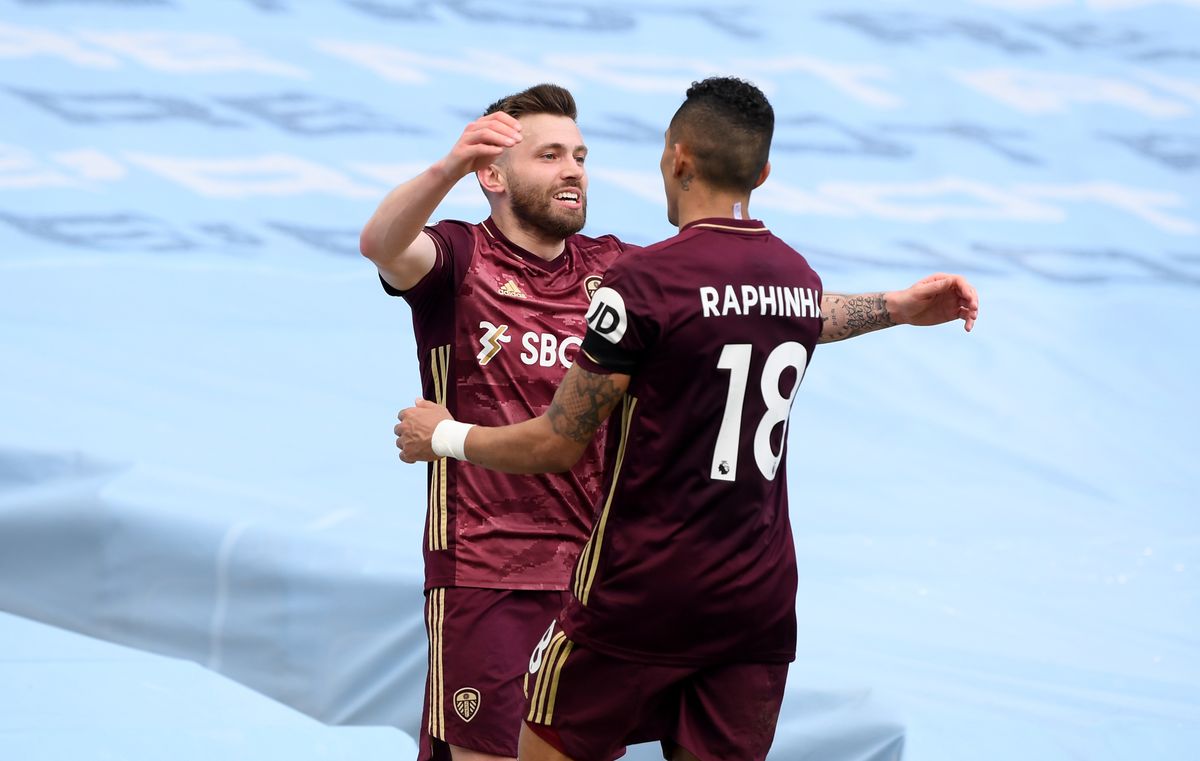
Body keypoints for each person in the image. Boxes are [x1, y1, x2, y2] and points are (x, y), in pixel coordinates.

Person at [361, 83, 977, 761]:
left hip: (597, 575)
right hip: (489, 568)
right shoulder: (459, 259)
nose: (573, 168)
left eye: (581, 154)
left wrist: (895, 304)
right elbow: (381, 242)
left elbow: (740, 306)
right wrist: (444, 168)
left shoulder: (618, 270)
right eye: (549, 155)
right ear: (492, 175)